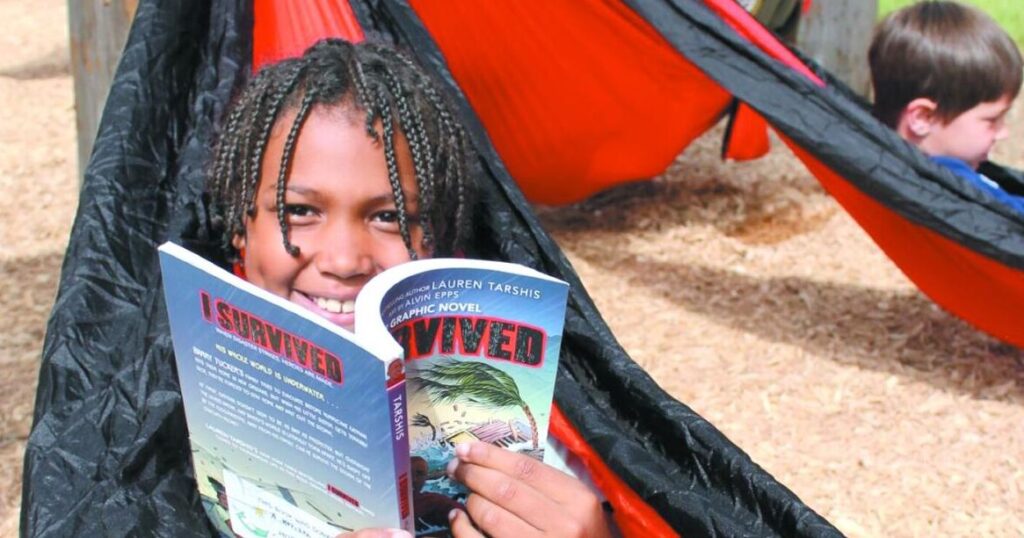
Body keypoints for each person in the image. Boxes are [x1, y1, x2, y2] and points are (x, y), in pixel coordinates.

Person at [206, 38, 611, 538]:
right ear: (239, 227)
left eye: (389, 216)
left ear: (439, 239)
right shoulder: (166, 398)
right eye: (299, 212)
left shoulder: (521, 430)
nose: (343, 260)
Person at [868, 1, 1023, 200]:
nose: (1003, 133)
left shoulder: (890, 163)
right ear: (923, 118)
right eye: (992, 120)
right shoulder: (956, 184)